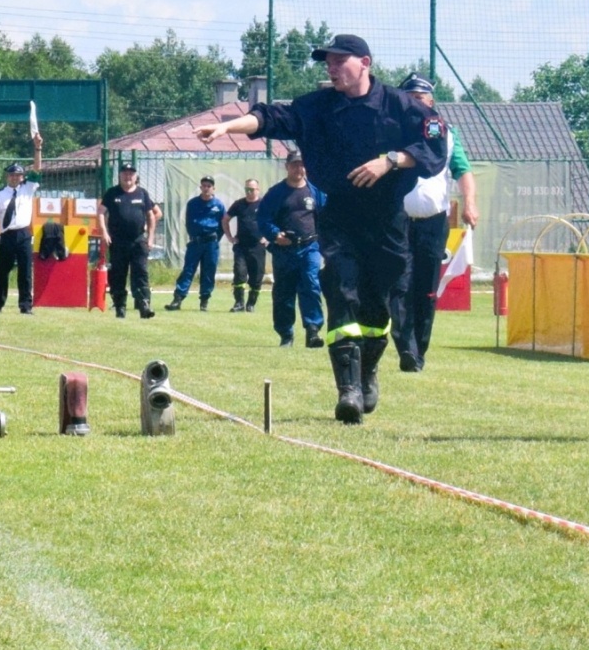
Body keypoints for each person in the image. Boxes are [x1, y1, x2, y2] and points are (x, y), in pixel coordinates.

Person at [198, 34, 447, 424]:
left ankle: (366, 372)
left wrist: (392, 160)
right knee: (341, 292)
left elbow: (434, 146)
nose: (331, 69)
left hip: (387, 221)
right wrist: (228, 127)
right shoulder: (318, 107)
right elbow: (271, 118)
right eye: (327, 63)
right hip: (339, 218)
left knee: (377, 305)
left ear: (364, 62)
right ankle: (346, 389)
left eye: (339, 61)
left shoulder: (402, 106)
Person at [392, 73, 480, 372]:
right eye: (409, 98)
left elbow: (463, 171)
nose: (415, 102)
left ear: (431, 101)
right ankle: (405, 346)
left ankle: (419, 351)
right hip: (397, 221)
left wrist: (469, 202)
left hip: (433, 222)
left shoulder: (447, 133)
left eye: (421, 98)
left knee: (426, 288)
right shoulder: (391, 130)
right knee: (399, 284)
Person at [257, 153, 326, 347]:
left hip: (310, 248)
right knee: (284, 292)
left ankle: (313, 331)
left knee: (311, 285)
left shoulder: (315, 192)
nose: (299, 169)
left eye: (302, 165)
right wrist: (276, 235)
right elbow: (263, 219)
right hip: (284, 251)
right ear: (287, 167)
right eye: (295, 165)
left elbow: (326, 217)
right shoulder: (276, 193)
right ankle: (286, 334)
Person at [0, 133, 45, 314]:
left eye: (18, 175)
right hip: (7, 235)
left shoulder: (28, 188)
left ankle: (25, 306)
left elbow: (37, 168)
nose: (15, 178)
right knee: (3, 271)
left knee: (25, 272)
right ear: (7, 177)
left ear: (22, 177)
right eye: (12, 175)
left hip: (23, 233)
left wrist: (37, 148)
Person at [98, 162, 160, 319]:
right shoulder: (112, 193)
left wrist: (151, 237)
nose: (128, 176)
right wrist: (104, 233)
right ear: (119, 176)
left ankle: (144, 305)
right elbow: (100, 213)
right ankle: (120, 307)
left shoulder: (142, 193)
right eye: (125, 173)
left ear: (135, 176)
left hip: (138, 241)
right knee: (118, 275)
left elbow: (152, 215)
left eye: (131, 173)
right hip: (118, 242)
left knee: (141, 273)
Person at [166, 177, 226, 311]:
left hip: (211, 243)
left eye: (209, 186)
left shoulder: (219, 205)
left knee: (208, 272)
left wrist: (215, 238)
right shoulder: (193, 203)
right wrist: (194, 236)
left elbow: (223, 225)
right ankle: (178, 299)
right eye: (204, 186)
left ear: (213, 188)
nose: (206, 188)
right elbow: (188, 222)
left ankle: (204, 300)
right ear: (201, 187)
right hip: (195, 243)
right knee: (188, 270)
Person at [225, 178, 269, 313]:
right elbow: (225, 219)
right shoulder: (239, 204)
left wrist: (268, 237)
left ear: (258, 190)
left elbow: (275, 219)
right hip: (241, 246)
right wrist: (230, 237)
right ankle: (239, 303)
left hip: (257, 246)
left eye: (252, 189)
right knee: (239, 273)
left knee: (257, 277)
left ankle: (251, 303)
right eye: (247, 189)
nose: (249, 192)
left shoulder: (264, 204)